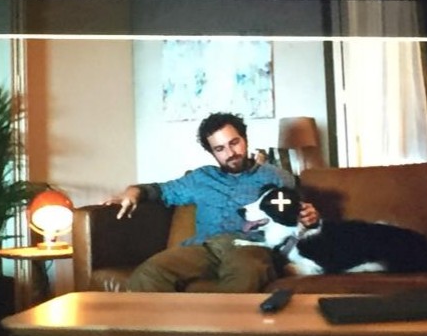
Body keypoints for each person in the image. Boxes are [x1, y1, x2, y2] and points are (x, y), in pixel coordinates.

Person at [108, 112, 319, 293]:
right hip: (205, 248)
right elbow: (161, 191)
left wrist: (310, 217)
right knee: (150, 272)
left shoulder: (276, 177)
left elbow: (298, 213)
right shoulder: (201, 178)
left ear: (245, 139)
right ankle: (165, 332)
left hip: (250, 247)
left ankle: (224, 330)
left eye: (234, 143)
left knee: (246, 271)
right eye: (219, 149)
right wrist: (134, 191)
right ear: (211, 152)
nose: (230, 153)